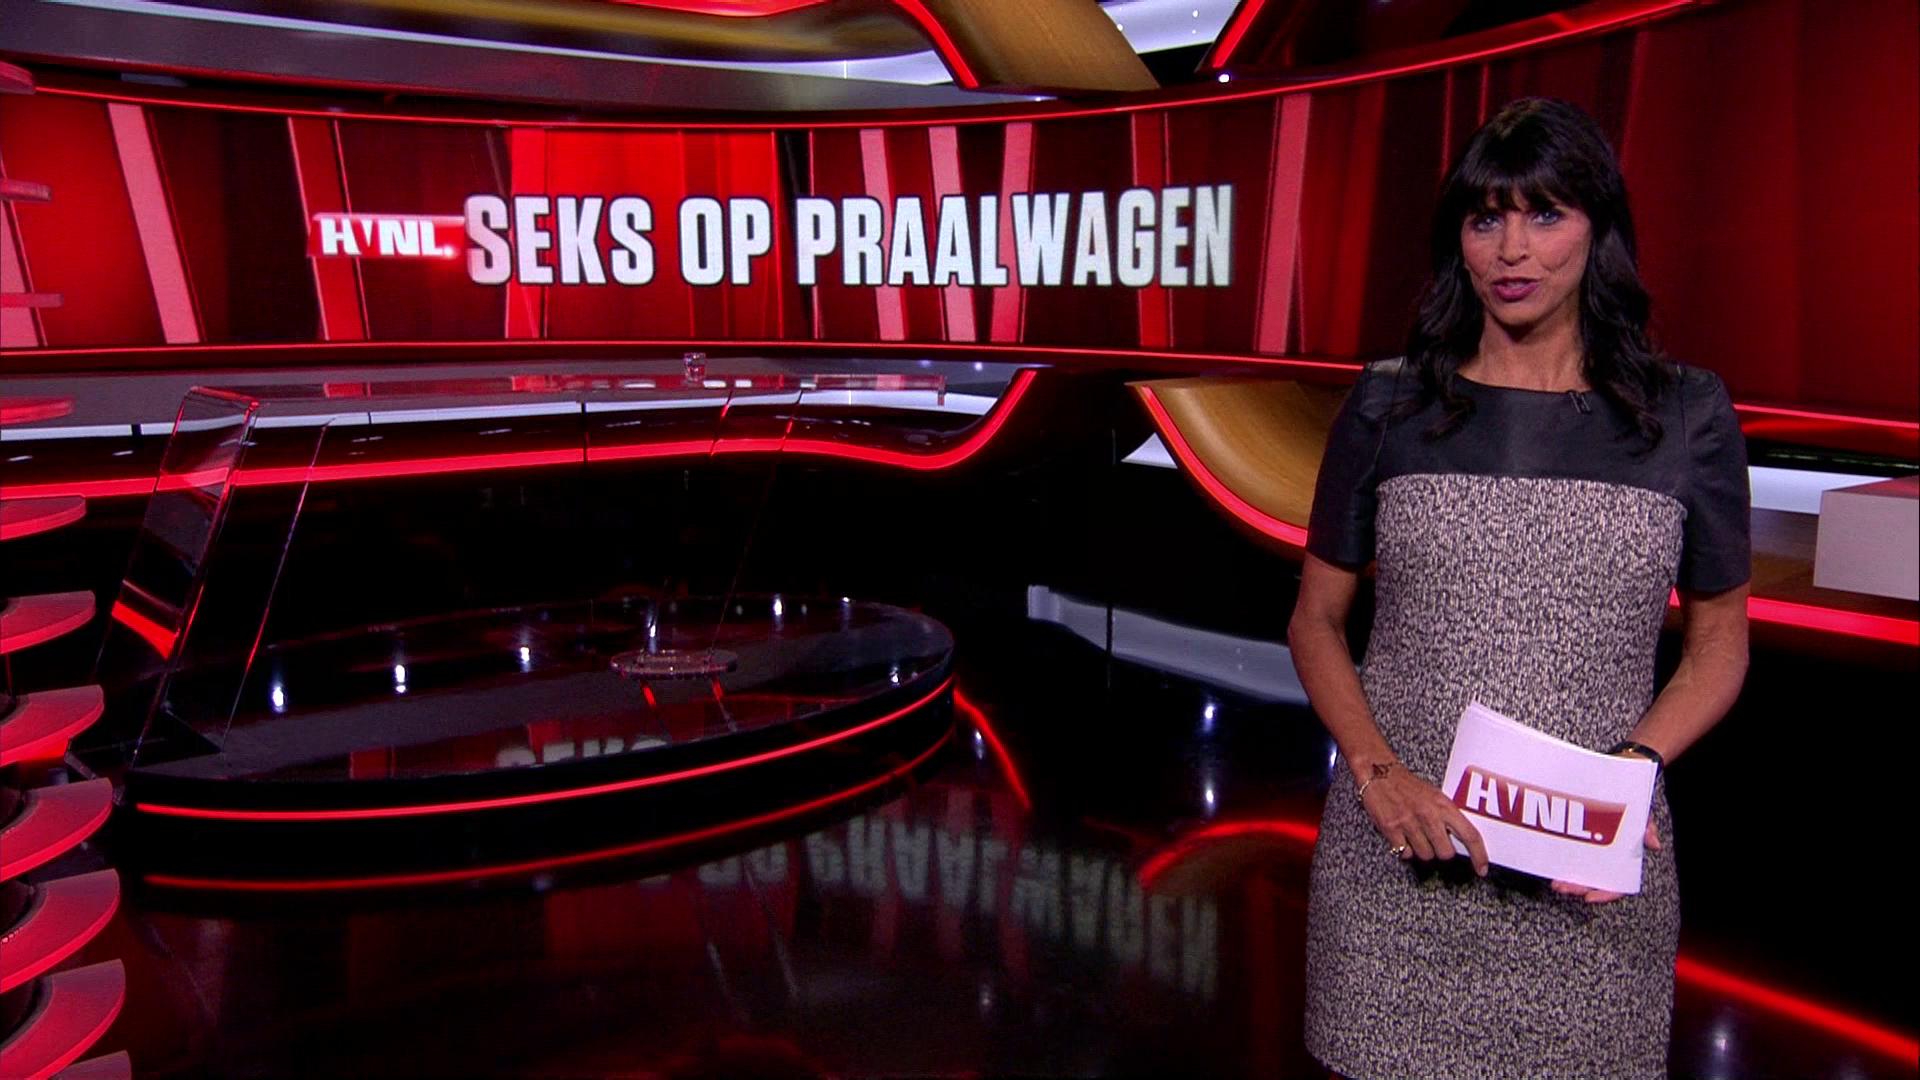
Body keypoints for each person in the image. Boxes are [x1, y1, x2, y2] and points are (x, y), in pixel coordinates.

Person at [1286, 96, 1752, 1079]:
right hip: (1396, 863)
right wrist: (1377, 774)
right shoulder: (1389, 403)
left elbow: (1719, 646)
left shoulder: (1685, 414)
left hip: (1590, 880)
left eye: (1545, 214)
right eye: (1484, 217)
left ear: (1598, 227)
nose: (1512, 249)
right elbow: (1316, 622)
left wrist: (1626, 780)